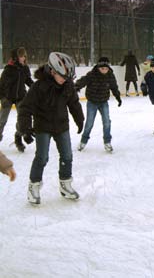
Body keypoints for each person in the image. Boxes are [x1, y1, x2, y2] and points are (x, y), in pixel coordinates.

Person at [17, 52, 85, 205]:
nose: (65, 80)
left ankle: (65, 184)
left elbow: (74, 103)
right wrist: (25, 129)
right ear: (53, 71)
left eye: (68, 77)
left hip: (62, 125)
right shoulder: (38, 87)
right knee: (42, 157)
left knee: (67, 156)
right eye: (63, 76)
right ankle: (34, 186)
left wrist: (79, 119)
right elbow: (25, 108)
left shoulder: (67, 84)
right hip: (43, 126)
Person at [75, 57, 122, 153]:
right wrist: (75, 87)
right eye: (102, 68)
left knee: (107, 122)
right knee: (89, 123)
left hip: (103, 102)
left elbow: (114, 87)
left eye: (106, 68)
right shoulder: (92, 75)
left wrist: (118, 97)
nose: (104, 70)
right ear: (98, 67)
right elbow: (82, 81)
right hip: (92, 102)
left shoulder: (110, 75)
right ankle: (83, 141)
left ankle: (107, 142)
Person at [0, 47, 34, 152]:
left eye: (24, 56)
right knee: (2, 119)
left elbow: (28, 81)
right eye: (21, 56)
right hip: (8, 97)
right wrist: (2, 98)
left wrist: (36, 88)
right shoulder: (8, 69)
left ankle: (18, 137)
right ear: (15, 57)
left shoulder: (25, 68)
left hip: (21, 96)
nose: (24, 58)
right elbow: (1, 85)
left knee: (22, 119)